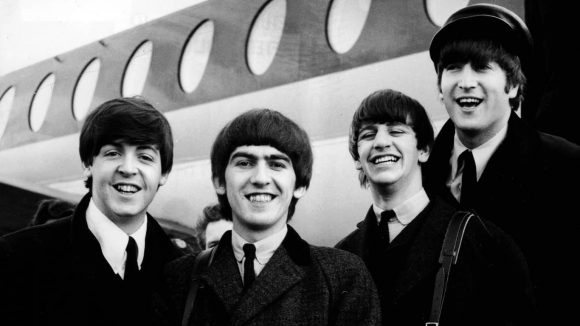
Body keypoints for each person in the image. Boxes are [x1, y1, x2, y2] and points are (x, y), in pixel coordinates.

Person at [424, 4, 580, 324]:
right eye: (453, 67)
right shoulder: (419, 171)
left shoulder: (566, 167)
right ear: (440, 87)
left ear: (513, 86)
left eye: (482, 67)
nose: (466, 82)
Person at [157, 108, 381, 326]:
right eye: (244, 163)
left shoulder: (342, 277)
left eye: (276, 164)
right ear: (219, 181)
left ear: (300, 185)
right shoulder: (178, 279)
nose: (261, 178)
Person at [335, 89, 535, 325]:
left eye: (396, 131)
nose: (380, 142)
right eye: (368, 135)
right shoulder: (341, 256)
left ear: (424, 150)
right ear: (357, 158)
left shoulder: (481, 240)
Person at [0, 97, 184, 326]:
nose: (128, 169)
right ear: (88, 165)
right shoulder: (17, 258)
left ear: (163, 174)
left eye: (145, 157)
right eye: (113, 153)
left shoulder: (185, 274)